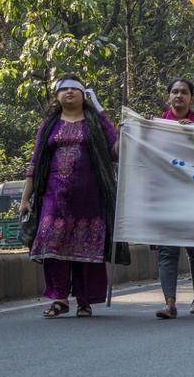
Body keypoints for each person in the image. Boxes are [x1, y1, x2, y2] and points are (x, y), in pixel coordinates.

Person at [19, 76, 120, 319]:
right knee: (53, 248)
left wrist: (103, 114)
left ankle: (85, 301)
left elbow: (116, 152)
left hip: (90, 198)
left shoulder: (95, 122)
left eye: (76, 88)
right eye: (64, 89)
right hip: (54, 198)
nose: (70, 92)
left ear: (85, 95)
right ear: (57, 96)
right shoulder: (49, 125)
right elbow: (35, 162)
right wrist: (25, 199)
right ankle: (59, 298)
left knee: (87, 250)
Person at [152, 78, 194, 319]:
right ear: (168, 97)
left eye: (184, 92)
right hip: (166, 197)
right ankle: (170, 303)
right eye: (174, 91)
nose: (179, 96)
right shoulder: (154, 127)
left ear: (191, 98)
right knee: (167, 251)